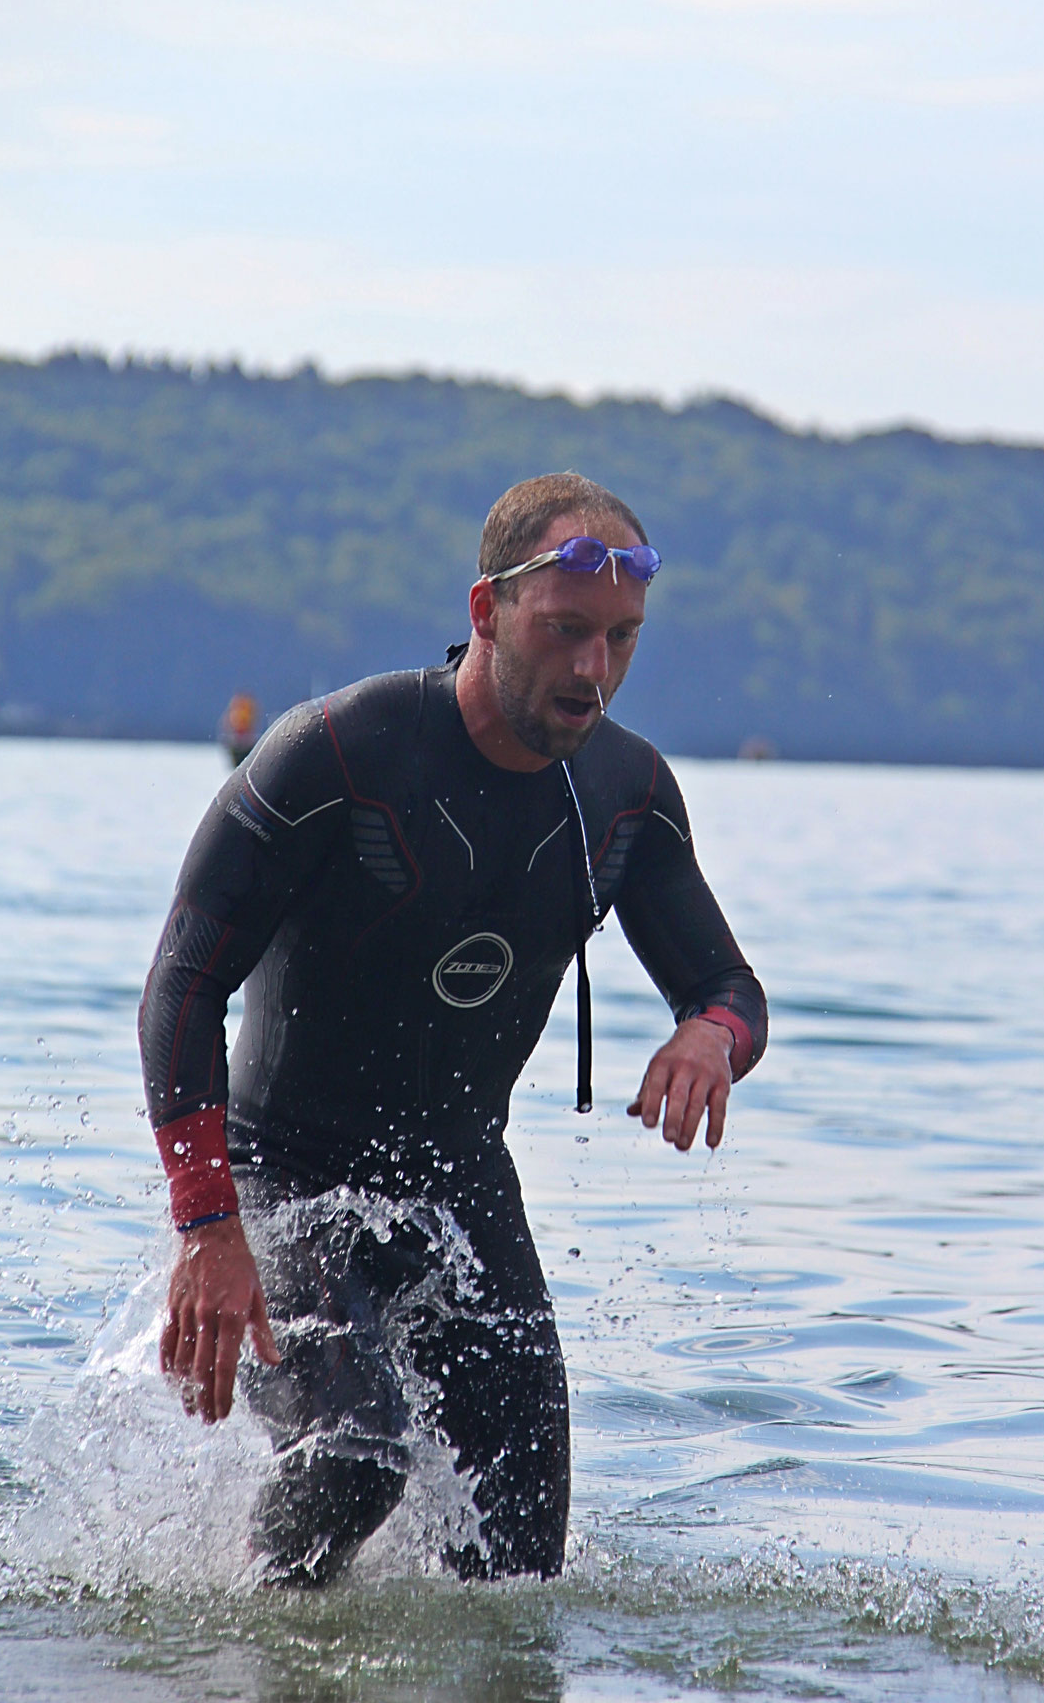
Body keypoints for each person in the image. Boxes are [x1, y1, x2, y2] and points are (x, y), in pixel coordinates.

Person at [137, 472, 768, 1584]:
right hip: (286, 1182)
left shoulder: (626, 791)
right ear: (487, 610)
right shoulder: (335, 753)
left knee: (522, 1559)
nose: (593, 668)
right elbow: (183, 987)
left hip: (460, 1190)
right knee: (356, 1458)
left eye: (621, 638)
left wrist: (709, 1035)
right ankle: (247, 1642)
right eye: (565, 630)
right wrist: (207, 1226)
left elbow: (727, 984)